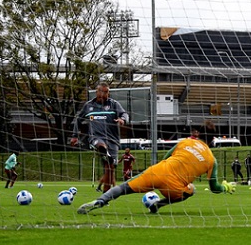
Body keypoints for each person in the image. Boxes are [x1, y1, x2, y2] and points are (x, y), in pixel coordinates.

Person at [77, 136, 235, 214]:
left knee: (124, 187)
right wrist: (225, 187)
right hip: (174, 187)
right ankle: (158, 205)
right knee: (192, 189)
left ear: (197, 140)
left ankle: (100, 201)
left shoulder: (186, 142)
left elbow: (166, 157)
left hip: (157, 172)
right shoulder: (212, 160)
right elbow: (214, 188)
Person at [70, 82, 129, 193]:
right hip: (96, 138)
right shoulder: (89, 105)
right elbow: (78, 119)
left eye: (106, 92)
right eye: (101, 91)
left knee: (110, 169)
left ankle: (105, 196)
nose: (103, 94)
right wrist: (74, 136)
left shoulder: (113, 104)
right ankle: (103, 149)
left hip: (113, 140)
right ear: (96, 92)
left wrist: (122, 120)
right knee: (100, 145)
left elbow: (125, 114)